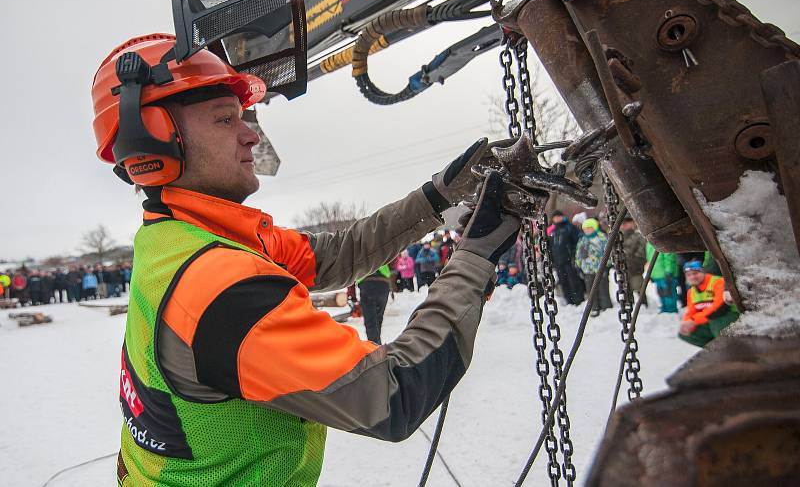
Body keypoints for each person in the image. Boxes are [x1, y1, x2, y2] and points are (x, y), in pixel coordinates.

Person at [91, 33, 521, 486]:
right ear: (152, 146)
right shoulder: (219, 285)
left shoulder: (180, 237)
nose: (250, 135)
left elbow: (335, 256)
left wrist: (438, 196)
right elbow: (395, 394)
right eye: (224, 120)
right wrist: (474, 258)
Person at [678, 260, 740, 347]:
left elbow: (718, 307)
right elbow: (690, 311)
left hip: (728, 316)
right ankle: (713, 350)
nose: (692, 277)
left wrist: (694, 320)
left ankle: (728, 349)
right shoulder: (691, 291)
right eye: (689, 275)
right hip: (708, 319)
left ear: (703, 272)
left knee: (715, 320)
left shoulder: (717, 282)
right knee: (685, 334)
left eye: (695, 273)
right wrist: (686, 323)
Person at [575, 218, 612, 314]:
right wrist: (579, 264)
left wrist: (607, 264)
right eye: (585, 229)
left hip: (600, 268)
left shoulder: (602, 238)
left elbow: (608, 252)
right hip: (588, 269)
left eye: (589, 228)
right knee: (591, 290)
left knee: (603, 288)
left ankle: (606, 307)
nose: (587, 231)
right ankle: (594, 308)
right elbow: (578, 254)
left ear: (595, 228)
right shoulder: (583, 240)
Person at [548, 210, 585, 305]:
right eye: (555, 217)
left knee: (573, 280)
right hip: (558, 260)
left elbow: (577, 242)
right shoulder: (553, 231)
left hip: (569, 259)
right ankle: (568, 300)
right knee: (563, 281)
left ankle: (578, 299)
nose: (557, 219)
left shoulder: (570, 227)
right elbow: (551, 246)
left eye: (559, 216)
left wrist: (574, 255)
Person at [357, 264, 392, 344]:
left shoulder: (360, 252)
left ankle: (375, 348)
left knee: (370, 320)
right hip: (383, 283)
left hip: (367, 281)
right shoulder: (382, 252)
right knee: (378, 318)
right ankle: (376, 346)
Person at [621, 216, 648, 307]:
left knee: (638, 285)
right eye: (623, 224)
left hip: (636, 266)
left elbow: (632, 249)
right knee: (626, 286)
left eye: (627, 223)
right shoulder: (621, 236)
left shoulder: (638, 236)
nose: (625, 226)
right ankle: (629, 303)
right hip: (625, 266)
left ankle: (643, 304)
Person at [645, 243, 679, 313]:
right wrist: (651, 273)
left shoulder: (662, 241)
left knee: (668, 293)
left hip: (665, 273)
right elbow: (649, 259)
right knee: (661, 292)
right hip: (656, 273)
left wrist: (669, 271)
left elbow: (669, 257)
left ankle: (671, 310)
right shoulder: (648, 244)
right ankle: (665, 308)